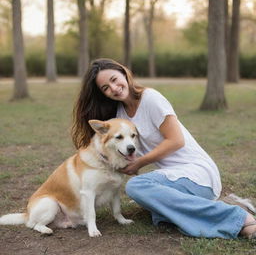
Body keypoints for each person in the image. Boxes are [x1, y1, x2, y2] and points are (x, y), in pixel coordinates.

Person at [71, 58, 256, 239]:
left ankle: (240, 219)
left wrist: (139, 163)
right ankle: (184, 211)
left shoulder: (150, 98)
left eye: (114, 79)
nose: (113, 88)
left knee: (137, 187)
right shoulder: (119, 116)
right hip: (173, 177)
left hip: (197, 173)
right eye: (105, 88)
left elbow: (176, 141)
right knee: (152, 206)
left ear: (124, 73)